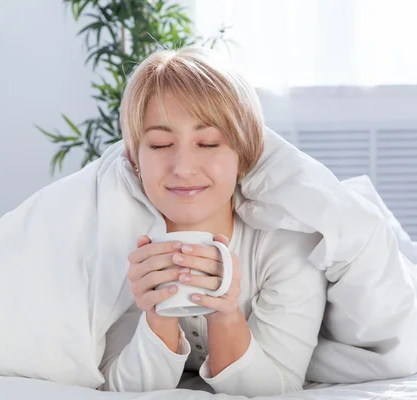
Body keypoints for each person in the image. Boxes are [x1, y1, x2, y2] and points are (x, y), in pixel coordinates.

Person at [98, 46, 328, 396]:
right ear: (134, 160)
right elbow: (121, 388)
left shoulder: (288, 244)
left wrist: (225, 314)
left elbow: (277, 390)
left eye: (208, 143)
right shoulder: (117, 240)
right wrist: (158, 314)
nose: (184, 168)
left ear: (244, 154)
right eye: (160, 145)